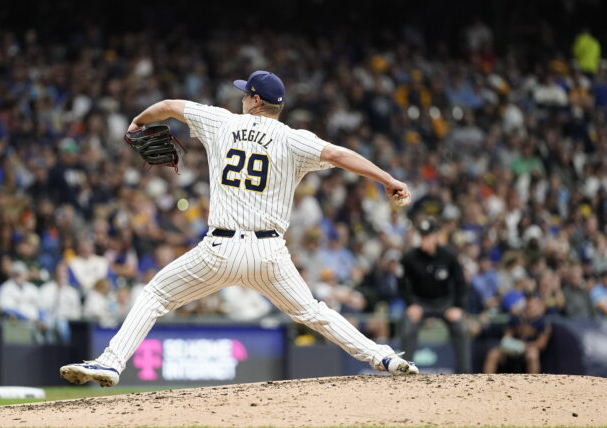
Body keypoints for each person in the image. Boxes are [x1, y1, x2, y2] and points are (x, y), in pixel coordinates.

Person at [61, 70, 418, 387]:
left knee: (155, 296)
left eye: (245, 93)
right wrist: (386, 179)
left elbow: (169, 105)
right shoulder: (294, 138)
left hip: (220, 248)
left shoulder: (221, 122)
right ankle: (383, 357)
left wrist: (137, 122)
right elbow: (340, 155)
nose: (242, 98)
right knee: (313, 312)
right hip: (269, 255)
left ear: (255, 99)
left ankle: (110, 363)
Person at [400, 218, 471, 373]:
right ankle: (404, 371)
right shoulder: (410, 258)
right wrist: (410, 304)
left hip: (444, 303)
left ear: (435, 236)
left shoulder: (449, 256)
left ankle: (465, 373)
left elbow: (460, 283)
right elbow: (402, 285)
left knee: (461, 326)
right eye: (423, 236)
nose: (425, 239)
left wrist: (457, 306)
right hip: (420, 302)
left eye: (428, 235)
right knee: (408, 326)